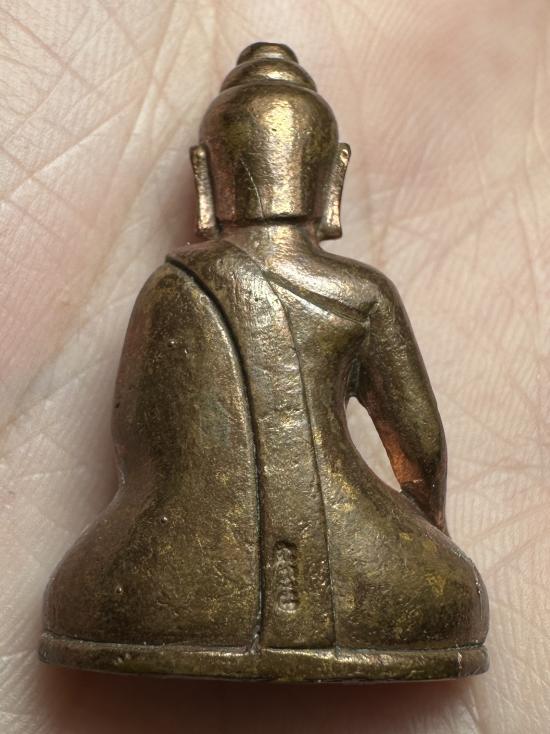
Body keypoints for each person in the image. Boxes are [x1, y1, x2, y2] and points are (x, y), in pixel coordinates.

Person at [1, 3, 547, 732]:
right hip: (355, 562)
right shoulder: (359, 293)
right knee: (449, 588)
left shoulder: (168, 287)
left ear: (206, 179)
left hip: (163, 584)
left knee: (91, 584)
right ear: (332, 176)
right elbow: (418, 445)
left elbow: (134, 446)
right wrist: (430, 530)